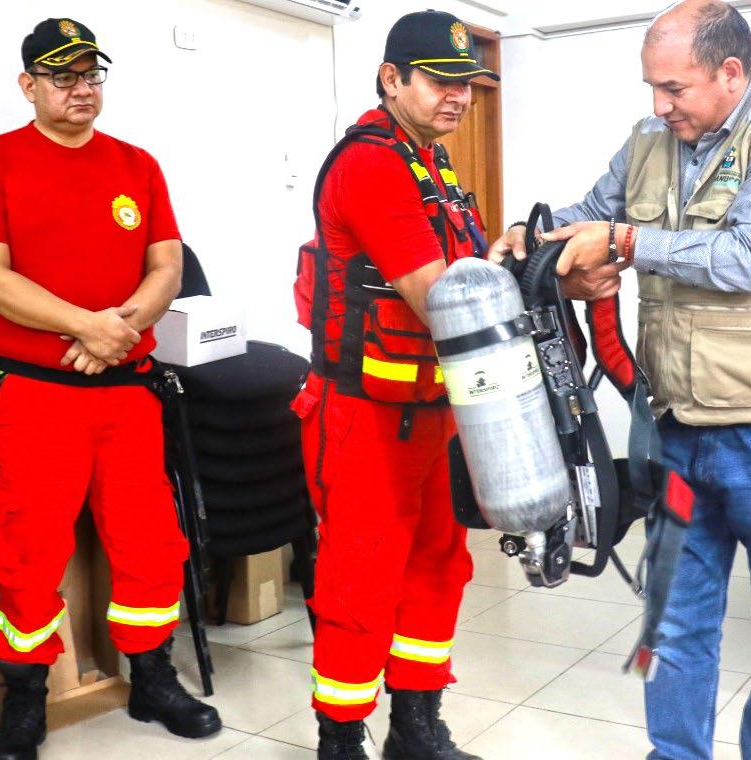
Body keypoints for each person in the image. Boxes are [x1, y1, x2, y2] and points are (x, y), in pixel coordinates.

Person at [491, 1, 751, 757]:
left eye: (674, 89)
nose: (660, 106)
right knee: (674, 622)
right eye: (652, 88)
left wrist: (626, 241)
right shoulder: (648, 141)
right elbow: (588, 215)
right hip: (678, 434)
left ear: (731, 73)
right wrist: (531, 235)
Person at [0, 18, 221, 759]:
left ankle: (153, 679)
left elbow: (167, 266)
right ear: (28, 85)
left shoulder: (136, 164)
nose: (81, 89)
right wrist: (88, 327)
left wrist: (118, 332)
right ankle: (26, 699)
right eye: (63, 76)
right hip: (37, 397)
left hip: (128, 393)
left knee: (148, 540)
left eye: (91, 75)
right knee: (28, 548)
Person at [290, 10, 497, 760]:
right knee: (360, 577)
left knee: (438, 566)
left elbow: (469, 272)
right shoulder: (372, 165)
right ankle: (340, 738)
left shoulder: (433, 164)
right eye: (441, 82)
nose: (458, 96)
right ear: (391, 79)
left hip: (435, 409)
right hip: (364, 416)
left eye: (466, 83)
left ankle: (415, 727)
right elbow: (441, 298)